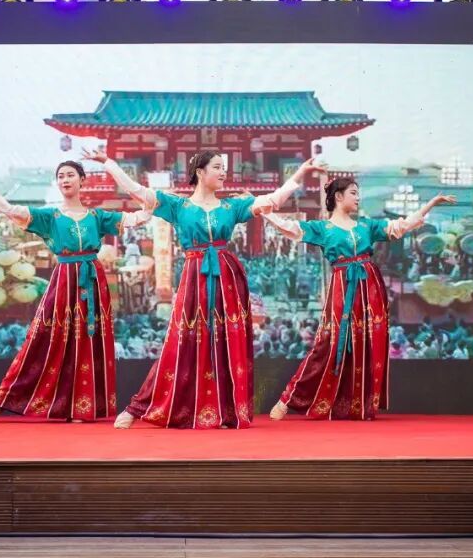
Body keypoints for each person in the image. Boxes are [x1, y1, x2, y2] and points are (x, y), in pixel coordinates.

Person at [82, 148, 324, 429]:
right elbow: (137, 191)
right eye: (218, 167)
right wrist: (109, 163)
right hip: (194, 275)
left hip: (227, 278)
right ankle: (139, 407)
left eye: (224, 167)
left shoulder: (231, 207)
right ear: (200, 172)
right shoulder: (178, 206)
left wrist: (300, 172)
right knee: (180, 341)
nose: (223, 172)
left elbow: (272, 200)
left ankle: (226, 410)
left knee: (226, 341)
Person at [0, 161, 152, 424]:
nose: (65, 180)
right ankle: (1, 402)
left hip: (92, 281)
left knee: (87, 341)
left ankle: (82, 407)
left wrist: (146, 197)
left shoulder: (97, 217)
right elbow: (9, 209)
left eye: (70, 175)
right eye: (61, 176)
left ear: (82, 180)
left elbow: (137, 218)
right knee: (41, 339)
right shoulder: (50, 216)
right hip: (63, 280)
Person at [264, 178, 456, 420]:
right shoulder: (322, 229)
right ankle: (288, 398)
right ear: (338, 196)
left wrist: (431, 203)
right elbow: (288, 227)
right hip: (342, 286)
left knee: (368, 342)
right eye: (353, 193)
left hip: (370, 286)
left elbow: (403, 226)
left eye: (358, 193)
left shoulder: (366, 226)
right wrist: (263, 211)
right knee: (329, 342)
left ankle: (357, 404)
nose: (358, 197)